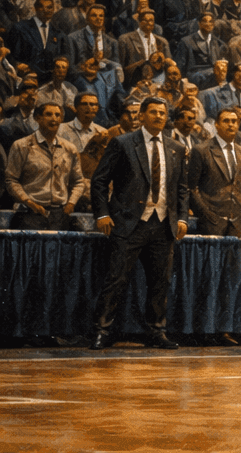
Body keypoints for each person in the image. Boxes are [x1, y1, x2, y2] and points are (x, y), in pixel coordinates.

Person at [88, 96, 189, 350]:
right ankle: (102, 330)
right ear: (141, 115)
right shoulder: (122, 143)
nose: (159, 117)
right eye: (153, 112)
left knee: (160, 281)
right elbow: (99, 180)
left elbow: (182, 188)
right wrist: (102, 214)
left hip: (163, 224)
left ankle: (156, 331)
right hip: (128, 223)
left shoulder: (176, 148)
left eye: (163, 113)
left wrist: (183, 218)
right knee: (116, 279)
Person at [187, 107, 241, 346]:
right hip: (212, 221)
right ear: (216, 125)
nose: (231, 125)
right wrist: (207, 215)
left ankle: (225, 329)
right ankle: (204, 329)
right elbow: (192, 188)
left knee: (232, 279)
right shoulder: (201, 150)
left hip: (237, 223)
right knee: (209, 278)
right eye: (226, 121)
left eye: (235, 121)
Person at [5, 102, 86, 231]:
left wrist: (71, 203)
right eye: (48, 114)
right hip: (29, 213)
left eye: (57, 115)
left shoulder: (70, 149)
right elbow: (11, 180)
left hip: (60, 215)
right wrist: (28, 202)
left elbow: (78, 181)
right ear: (37, 118)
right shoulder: (21, 146)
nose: (54, 118)